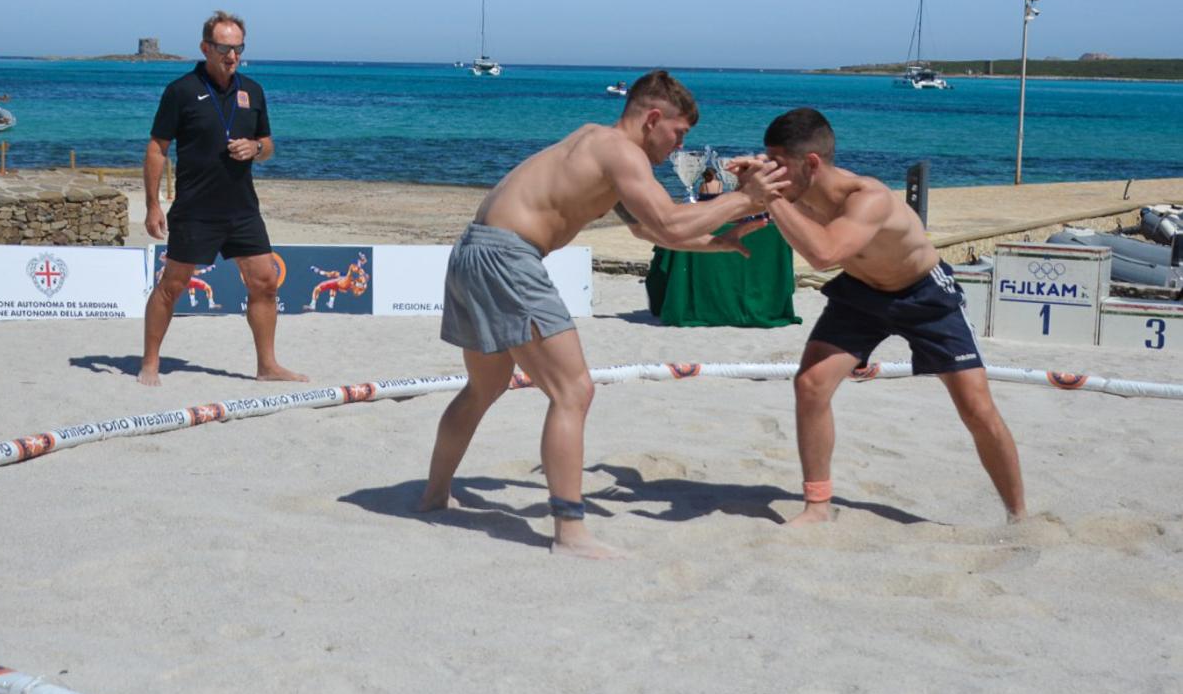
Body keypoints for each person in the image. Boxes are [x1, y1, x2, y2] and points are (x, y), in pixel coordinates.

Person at [417, 70, 785, 558]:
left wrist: (721, 241)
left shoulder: (594, 142)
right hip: (507, 257)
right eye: (680, 133)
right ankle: (569, 532)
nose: (679, 146)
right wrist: (745, 198)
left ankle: (434, 495)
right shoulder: (622, 152)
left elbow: (651, 231)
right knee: (574, 390)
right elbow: (670, 220)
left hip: (472, 251)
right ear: (653, 118)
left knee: (484, 386)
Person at [735, 108, 1024, 525]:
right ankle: (818, 507)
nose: (773, 174)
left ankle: (1018, 514)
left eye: (780, 165)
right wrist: (741, 197)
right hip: (861, 294)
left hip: (925, 294)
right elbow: (763, 215)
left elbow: (823, 254)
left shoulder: (866, 197)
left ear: (812, 163)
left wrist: (770, 196)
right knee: (811, 385)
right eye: (769, 163)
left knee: (977, 409)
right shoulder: (797, 192)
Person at [138, 11, 306, 386]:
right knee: (173, 285)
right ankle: (150, 363)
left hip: (243, 208)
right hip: (196, 208)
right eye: (224, 48)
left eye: (238, 48)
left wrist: (256, 147)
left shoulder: (254, 91)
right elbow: (156, 148)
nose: (232, 56)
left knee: (264, 282)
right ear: (206, 47)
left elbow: (269, 145)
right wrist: (152, 204)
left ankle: (267, 366)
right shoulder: (180, 91)